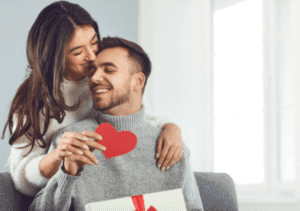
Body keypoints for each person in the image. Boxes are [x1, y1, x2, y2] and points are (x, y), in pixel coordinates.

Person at [2, 1, 183, 197]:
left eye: (94, 42)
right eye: (77, 51)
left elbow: (140, 117)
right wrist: (58, 156)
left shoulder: (105, 81)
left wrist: (171, 127)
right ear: (54, 56)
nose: (91, 55)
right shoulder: (32, 103)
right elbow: (21, 179)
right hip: (63, 193)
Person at [28, 37, 203, 211]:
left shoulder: (171, 145)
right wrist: (68, 173)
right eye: (93, 71)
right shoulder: (72, 140)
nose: (95, 78)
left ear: (138, 81)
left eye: (109, 70)